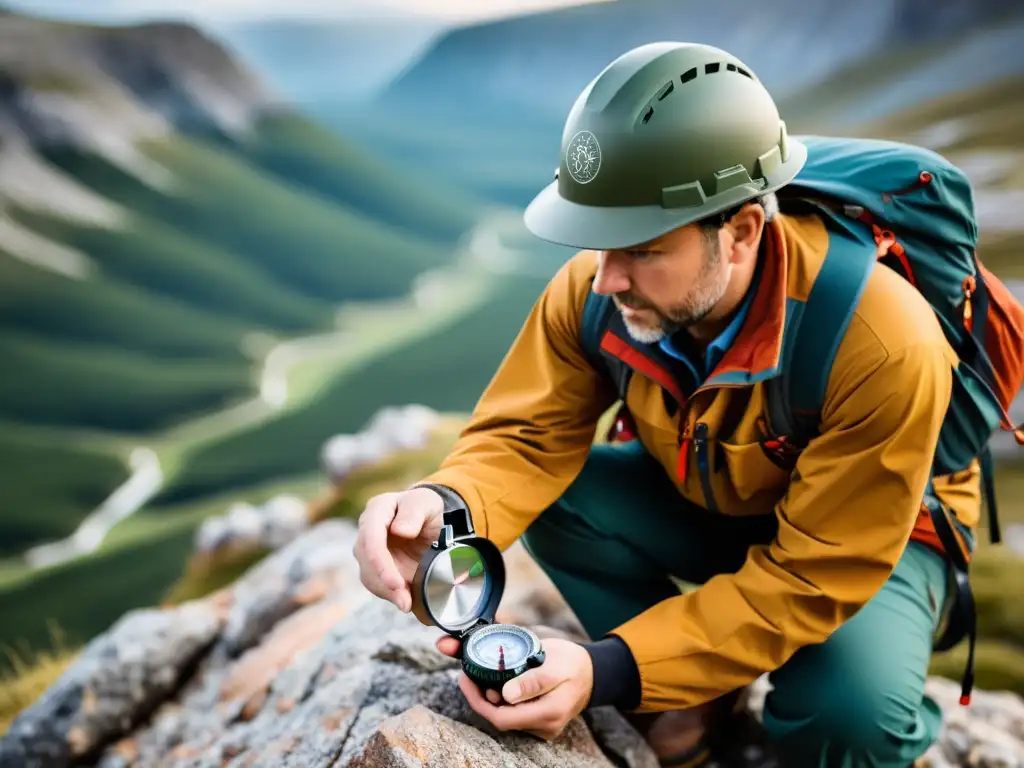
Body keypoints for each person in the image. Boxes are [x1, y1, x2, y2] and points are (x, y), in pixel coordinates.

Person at [353, 41, 984, 767]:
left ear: (742, 231)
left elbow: (812, 574)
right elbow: (526, 440)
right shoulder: (600, 288)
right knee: (560, 497)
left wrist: (606, 669)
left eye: (642, 249)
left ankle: (715, 677)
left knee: (849, 719)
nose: (605, 280)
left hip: (870, 538)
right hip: (722, 502)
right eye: (597, 242)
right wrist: (444, 507)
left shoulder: (880, 339)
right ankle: (693, 689)